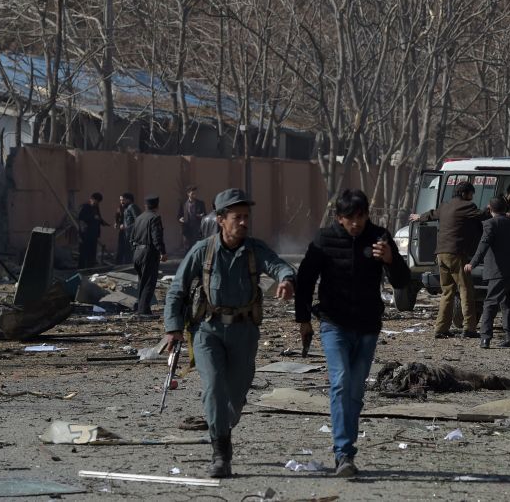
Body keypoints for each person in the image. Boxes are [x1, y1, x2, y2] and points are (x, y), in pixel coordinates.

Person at [162, 188, 296, 478]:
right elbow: (177, 290)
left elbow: (278, 265)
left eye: (247, 217)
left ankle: (224, 420)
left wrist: (286, 279)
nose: (244, 222)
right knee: (214, 387)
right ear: (221, 219)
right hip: (207, 330)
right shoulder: (203, 250)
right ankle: (221, 454)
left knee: (235, 395)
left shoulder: (254, 250)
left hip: (244, 332)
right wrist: (172, 329)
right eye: (238, 217)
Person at [294, 189, 410, 477]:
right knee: (342, 381)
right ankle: (344, 453)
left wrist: (390, 260)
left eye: (361, 217)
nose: (356, 223)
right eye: (350, 218)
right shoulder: (324, 239)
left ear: (367, 215)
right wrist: (303, 320)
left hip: (368, 326)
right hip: (334, 323)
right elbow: (305, 279)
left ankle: (346, 446)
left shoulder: (380, 237)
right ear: (339, 218)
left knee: (356, 389)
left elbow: (403, 280)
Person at [409, 181, 484, 339]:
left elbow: (431, 214)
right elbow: (484, 215)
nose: (472, 198)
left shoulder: (445, 206)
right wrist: (509, 214)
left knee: (447, 291)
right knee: (465, 290)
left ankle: (441, 329)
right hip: (456, 254)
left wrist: (418, 217)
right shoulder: (466, 206)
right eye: (471, 194)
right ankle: (469, 328)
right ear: (465, 194)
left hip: (441, 254)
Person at [465, 196, 510, 349]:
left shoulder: (490, 224)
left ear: (490, 209)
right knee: (507, 304)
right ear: (506, 209)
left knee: (490, 303)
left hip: (498, 271)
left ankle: (485, 338)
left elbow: (483, 245)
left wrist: (472, 263)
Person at [131, 196, 168, 315]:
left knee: (142, 281)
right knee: (149, 282)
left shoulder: (139, 218)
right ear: (157, 206)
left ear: (145, 206)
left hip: (137, 252)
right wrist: (162, 252)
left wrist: (136, 250)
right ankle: (143, 311)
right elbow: (156, 237)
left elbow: (131, 238)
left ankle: (142, 308)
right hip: (148, 253)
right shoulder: (155, 218)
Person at [77, 192, 110, 268]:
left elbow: (98, 217)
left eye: (98, 202)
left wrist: (103, 222)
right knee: (84, 253)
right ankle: (81, 270)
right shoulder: (85, 207)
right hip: (85, 235)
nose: (97, 203)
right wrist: (92, 217)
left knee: (92, 254)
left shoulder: (96, 207)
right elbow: (81, 218)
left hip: (94, 235)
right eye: (96, 201)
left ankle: (90, 269)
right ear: (92, 199)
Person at [178, 185, 207, 253]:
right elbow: (179, 216)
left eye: (195, 193)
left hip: (197, 229)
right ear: (188, 194)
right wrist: (180, 219)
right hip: (186, 230)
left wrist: (202, 215)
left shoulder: (201, 203)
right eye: (192, 193)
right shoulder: (183, 204)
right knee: (187, 248)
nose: (194, 195)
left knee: (197, 248)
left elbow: (205, 215)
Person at [114, 193, 141, 265]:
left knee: (129, 254)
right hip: (125, 234)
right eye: (120, 200)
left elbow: (138, 221)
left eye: (123, 200)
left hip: (131, 236)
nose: (121, 202)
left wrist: (126, 227)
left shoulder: (132, 207)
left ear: (129, 200)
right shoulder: (125, 208)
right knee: (122, 252)